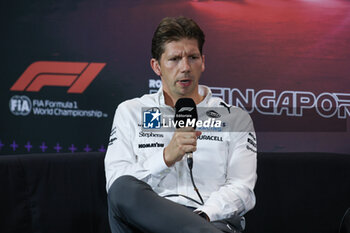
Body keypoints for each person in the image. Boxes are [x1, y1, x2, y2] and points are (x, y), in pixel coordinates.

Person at [105, 16, 257, 233]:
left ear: (203, 61)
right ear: (156, 66)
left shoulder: (235, 118)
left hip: (210, 221)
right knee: (122, 188)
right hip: (146, 224)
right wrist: (165, 157)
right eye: (174, 59)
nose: (185, 67)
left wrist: (201, 217)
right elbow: (116, 184)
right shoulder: (131, 112)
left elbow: (242, 188)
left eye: (193, 57)